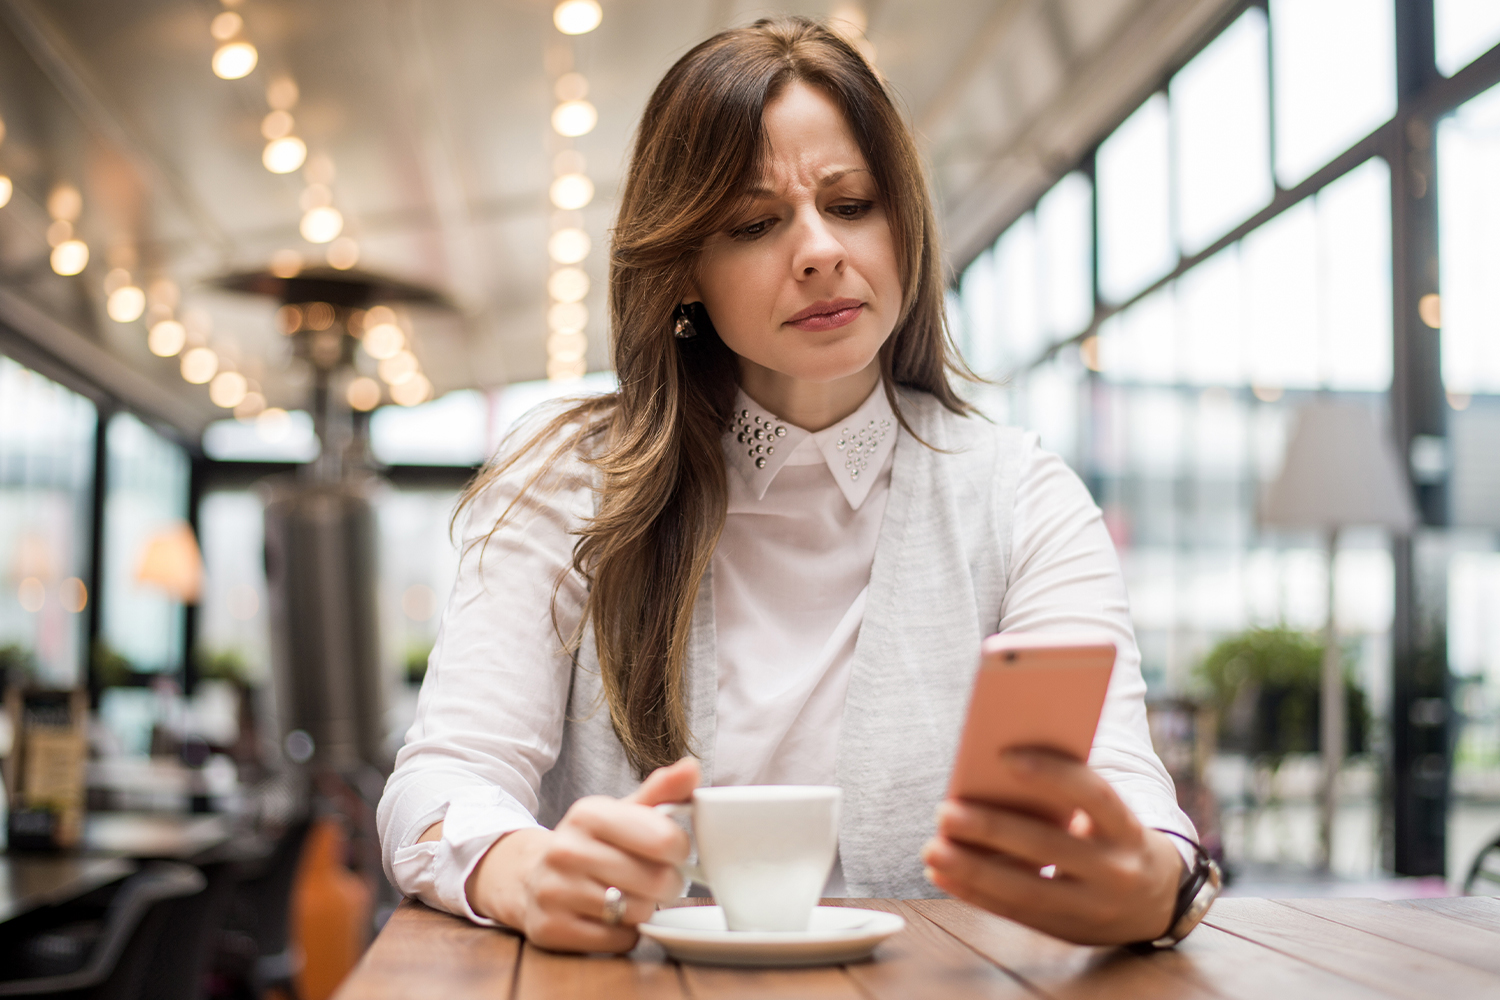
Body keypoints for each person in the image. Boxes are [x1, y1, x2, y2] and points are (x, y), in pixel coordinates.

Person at [378, 16, 1200, 954]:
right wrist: (524, 870)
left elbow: (1130, 790)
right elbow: (440, 785)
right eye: (756, 223)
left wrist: (1159, 882)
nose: (818, 250)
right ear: (684, 267)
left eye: (850, 205)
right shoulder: (565, 483)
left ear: (906, 229)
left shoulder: (1019, 496)